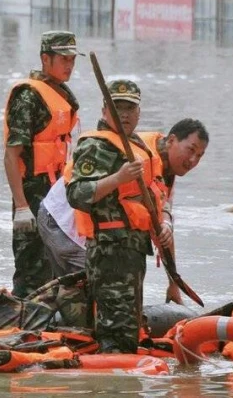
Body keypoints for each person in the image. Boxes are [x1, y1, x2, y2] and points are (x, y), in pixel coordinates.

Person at [38, 118, 209, 325]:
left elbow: (162, 230)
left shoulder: (165, 171)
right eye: (190, 150)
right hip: (64, 222)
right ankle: (48, 327)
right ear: (172, 140)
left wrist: (173, 282)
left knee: (103, 296)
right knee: (102, 297)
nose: (193, 160)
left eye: (199, 155)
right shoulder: (138, 156)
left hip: (83, 228)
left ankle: (52, 320)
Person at [66, 79, 170, 354]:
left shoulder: (138, 146)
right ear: (104, 110)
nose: (124, 114)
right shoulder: (95, 146)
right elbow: (76, 194)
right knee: (115, 329)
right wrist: (118, 178)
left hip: (133, 250)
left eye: (129, 108)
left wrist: (165, 222)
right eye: (117, 107)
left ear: (139, 113)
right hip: (109, 251)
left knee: (129, 327)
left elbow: (158, 191)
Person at [3, 30, 83, 298]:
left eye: (72, 59)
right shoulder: (28, 97)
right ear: (45, 59)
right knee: (30, 265)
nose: (69, 65)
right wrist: (22, 207)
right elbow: (11, 155)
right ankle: (23, 316)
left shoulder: (62, 93)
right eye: (64, 59)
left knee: (56, 263)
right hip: (33, 191)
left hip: (58, 191)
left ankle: (53, 319)